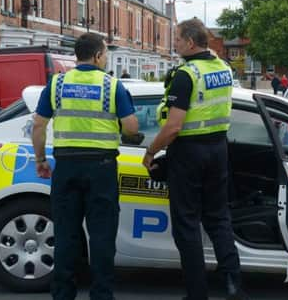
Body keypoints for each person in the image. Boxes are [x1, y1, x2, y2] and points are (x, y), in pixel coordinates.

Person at [143, 18, 248, 300]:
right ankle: (233, 285)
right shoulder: (222, 69)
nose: (174, 43)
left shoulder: (186, 74)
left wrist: (151, 151)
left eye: (177, 39)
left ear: (190, 42)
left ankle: (196, 294)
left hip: (189, 153)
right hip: (218, 149)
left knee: (187, 224)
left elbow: (174, 126)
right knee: (218, 219)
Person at [31, 32, 138, 300]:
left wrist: (41, 159)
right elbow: (132, 127)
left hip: (66, 166)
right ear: (99, 55)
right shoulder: (112, 86)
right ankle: (102, 295)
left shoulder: (56, 84)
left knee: (66, 236)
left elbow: (38, 125)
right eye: (106, 54)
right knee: (102, 237)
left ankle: (63, 294)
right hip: (101, 168)